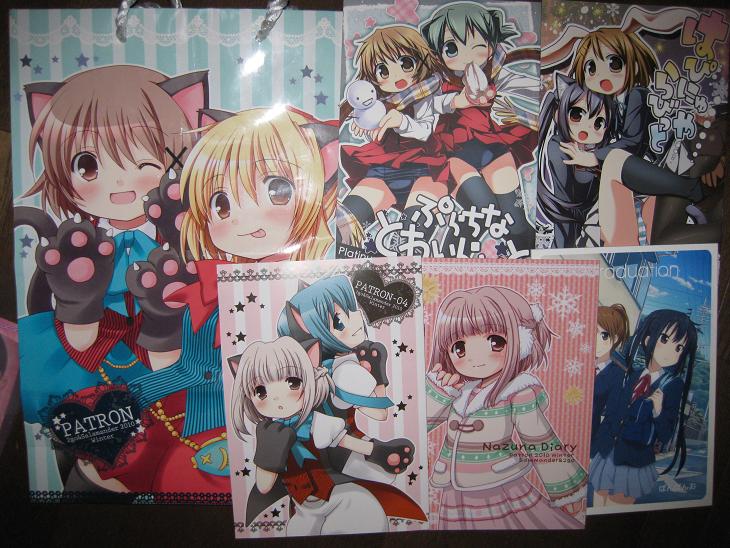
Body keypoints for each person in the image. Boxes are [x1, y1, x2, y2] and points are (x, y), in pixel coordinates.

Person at [427, 285, 586, 529]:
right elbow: (420, 427)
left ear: (521, 342)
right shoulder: (458, 391)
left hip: (498, 485)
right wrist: (439, 393)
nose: (474, 358)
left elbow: (539, 440)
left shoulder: (518, 392)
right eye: (460, 348)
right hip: (453, 493)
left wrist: (567, 490)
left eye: (495, 342)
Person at [590, 309, 698, 507]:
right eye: (664, 339)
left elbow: (665, 434)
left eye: (679, 348)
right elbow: (613, 412)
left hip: (634, 458)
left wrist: (658, 411)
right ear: (648, 339)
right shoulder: (632, 373)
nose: (670, 351)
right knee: (598, 502)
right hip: (607, 451)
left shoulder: (673, 385)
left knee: (617, 508)